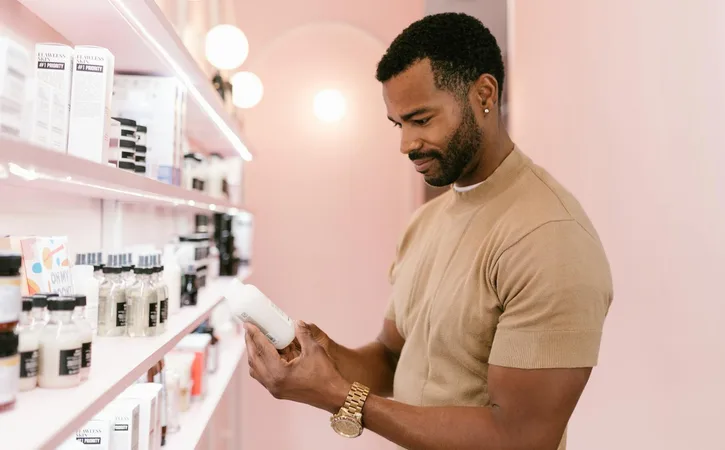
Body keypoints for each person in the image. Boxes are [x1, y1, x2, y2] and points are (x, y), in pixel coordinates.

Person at [244, 12, 613, 450]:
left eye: (421, 120)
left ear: (483, 94)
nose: (406, 144)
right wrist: (322, 357)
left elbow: (521, 438)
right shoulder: (426, 222)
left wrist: (338, 396)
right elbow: (391, 357)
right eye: (399, 124)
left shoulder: (549, 237)